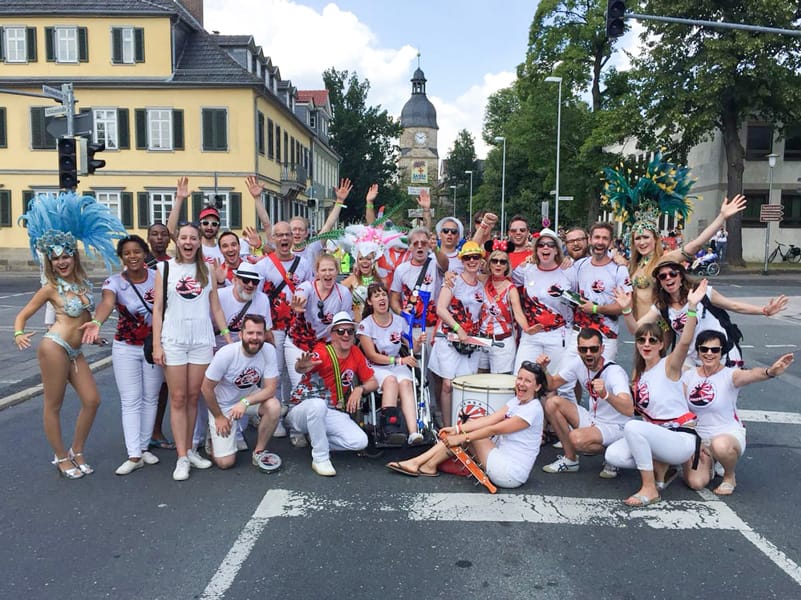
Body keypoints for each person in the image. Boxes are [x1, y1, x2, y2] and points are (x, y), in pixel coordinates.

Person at [14, 191, 126, 479]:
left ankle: (77, 450)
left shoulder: (84, 283)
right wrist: (18, 333)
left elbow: (87, 317)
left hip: (76, 351)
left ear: (74, 257)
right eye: (55, 259)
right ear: (49, 263)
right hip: (54, 347)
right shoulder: (50, 288)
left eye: (66, 256)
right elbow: (23, 314)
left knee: (92, 400)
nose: (61, 262)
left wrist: (95, 335)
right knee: (54, 404)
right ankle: (61, 456)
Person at [604, 279, 708, 507]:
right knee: (614, 455)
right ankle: (665, 469)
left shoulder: (669, 365)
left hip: (679, 438)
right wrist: (626, 309)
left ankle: (649, 488)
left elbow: (685, 342)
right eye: (642, 340)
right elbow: (632, 409)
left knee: (633, 427)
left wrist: (691, 308)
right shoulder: (640, 375)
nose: (646, 344)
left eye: (653, 340)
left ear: (661, 345)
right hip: (659, 436)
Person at [152, 221, 232, 481]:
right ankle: (181, 457)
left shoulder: (208, 268)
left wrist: (228, 339)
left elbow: (216, 308)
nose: (188, 242)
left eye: (193, 238)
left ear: (199, 242)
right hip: (173, 339)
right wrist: (156, 345)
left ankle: (190, 449)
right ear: (178, 241)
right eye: (184, 237)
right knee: (177, 398)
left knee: (193, 396)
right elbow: (158, 309)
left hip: (201, 340)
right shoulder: (164, 268)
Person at [385, 361, 547, 488]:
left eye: (528, 381)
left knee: (473, 435)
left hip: (511, 474)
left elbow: (493, 428)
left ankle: (417, 462)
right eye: (519, 378)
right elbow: (490, 419)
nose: (521, 384)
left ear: (538, 386)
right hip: (502, 459)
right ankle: (428, 465)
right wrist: (457, 428)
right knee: (467, 429)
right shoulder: (517, 401)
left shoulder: (532, 410)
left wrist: (462, 436)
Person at [84, 235, 163, 475]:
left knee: (151, 398)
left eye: (137, 251)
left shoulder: (158, 277)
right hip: (125, 347)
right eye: (127, 253)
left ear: (145, 253)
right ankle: (134, 454)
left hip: (153, 346)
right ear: (121, 257)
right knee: (131, 400)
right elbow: (107, 303)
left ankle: (143, 446)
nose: (133, 257)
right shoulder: (115, 282)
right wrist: (97, 322)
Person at [680, 330, 794, 495]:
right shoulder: (689, 376)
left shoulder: (730, 375)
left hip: (727, 434)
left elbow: (751, 374)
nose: (709, 353)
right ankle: (711, 463)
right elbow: (680, 408)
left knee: (720, 445)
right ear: (698, 352)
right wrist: (692, 442)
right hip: (700, 439)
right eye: (704, 349)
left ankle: (729, 476)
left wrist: (770, 372)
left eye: (715, 349)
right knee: (696, 483)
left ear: (722, 351)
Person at [620, 259, 788, 366]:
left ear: (681, 276)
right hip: (692, 357)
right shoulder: (662, 306)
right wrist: (627, 310)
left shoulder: (702, 292)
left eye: (672, 273)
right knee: (680, 389)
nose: (668, 278)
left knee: (722, 402)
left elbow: (734, 306)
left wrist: (764, 310)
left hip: (720, 353)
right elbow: (636, 329)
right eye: (663, 277)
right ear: (660, 283)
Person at [537, 328, 634, 478]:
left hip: (616, 426)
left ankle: (615, 451)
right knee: (552, 403)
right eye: (584, 349)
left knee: (576, 438)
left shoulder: (615, 372)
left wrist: (606, 395)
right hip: (594, 419)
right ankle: (570, 460)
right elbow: (552, 385)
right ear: (578, 350)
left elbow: (628, 409)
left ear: (602, 349)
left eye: (593, 349)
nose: (588, 353)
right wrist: (544, 369)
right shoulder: (578, 363)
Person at [289, 312, 377, 476]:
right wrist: (301, 366)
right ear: (332, 334)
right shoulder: (322, 351)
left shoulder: (356, 353)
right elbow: (303, 366)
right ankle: (320, 458)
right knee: (317, 405)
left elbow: (373, 382)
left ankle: (316, 438)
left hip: (331, 411)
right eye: (341, 331)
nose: (346, 335)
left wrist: (359, 389)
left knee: (359, 441)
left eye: (350, 331)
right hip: (303, 410)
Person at [200, 314, 283, 473]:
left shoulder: (268, 350)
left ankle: (259, 451)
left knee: (274, 406)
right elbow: (206, 388)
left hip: (247, 397)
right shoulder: (227, 353)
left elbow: (270, 388)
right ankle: (212, 436)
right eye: (250, 333)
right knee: (225, 463)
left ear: (264, 335)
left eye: (259, 333)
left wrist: (245, 402)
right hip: (223, 405)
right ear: (241, 334)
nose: (255, 338)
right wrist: (219, 417)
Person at [358, 282, 425, 445]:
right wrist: (399, 360)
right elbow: (371, 355)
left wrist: (417, 343)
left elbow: (411, 347)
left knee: (406, 383)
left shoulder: (399, 321)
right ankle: (389, 429)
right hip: (376, 366)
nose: (381, 298)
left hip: (397, 364)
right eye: (376, 295)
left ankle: (413, 432)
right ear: (369, 302)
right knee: (391, 381)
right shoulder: (365, 325)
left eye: (383, 294)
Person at [428, 241, 486, 427]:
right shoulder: (453, 280)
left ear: (481, 260)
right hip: (449, 339)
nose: (471, 261)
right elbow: (441, 309)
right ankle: (447, 427)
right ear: (462, 260)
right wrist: (457, 328)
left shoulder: (483, 283)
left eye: (475, 257)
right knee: (448, 384)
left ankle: (463, 426)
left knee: (466, 386)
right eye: (467, 258)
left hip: (471, 342)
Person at [511, 228, 577, 385]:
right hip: (532, 334)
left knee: (556, 384)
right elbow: (501, 276)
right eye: (541, 245)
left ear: (556, 250)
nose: (545, 248)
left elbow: (577, 297)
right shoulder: (526, 270)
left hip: (558, 334)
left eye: (550, 245)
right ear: (536, 249)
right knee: (520, 380)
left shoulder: (568, 271)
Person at [568, 222, 631, 362]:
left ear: (611, 242)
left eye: (605, 238)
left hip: (605, 336)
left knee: (599, 381)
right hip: (579, 334)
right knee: (570, 380)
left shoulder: (619, 269)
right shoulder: (579, 265)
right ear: (590, 239)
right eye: (597, 237)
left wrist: (596, 308)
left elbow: (624, 306)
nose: (600, 242)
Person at [145, 223, 175, 450]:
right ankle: (140, 435)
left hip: (166, 330)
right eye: (154, 234)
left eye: (164, 234)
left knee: (163, 387)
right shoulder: (138, 260)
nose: (159, 238)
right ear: (148, 238)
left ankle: (156, 429)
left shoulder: (171, 265)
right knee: (141, 390)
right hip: (140, 331)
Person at [477, 250, 524, 374]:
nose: (498, 264)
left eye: (502, 262)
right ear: (489, 263)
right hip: (481, 340)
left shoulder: (511, 289)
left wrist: (529, 330)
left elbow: (518, 314)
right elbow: (463, 273)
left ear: (507, 266)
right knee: (479, 381)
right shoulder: (481, 280)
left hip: (502, 343)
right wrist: (450, 274)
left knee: (499, 384)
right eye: (494, 261)